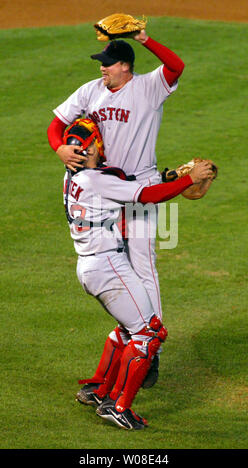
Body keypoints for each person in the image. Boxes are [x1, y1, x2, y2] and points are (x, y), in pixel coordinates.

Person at [47, 30, 185, 384]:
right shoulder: (90, 90)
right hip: (104, 191)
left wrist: (144, 37)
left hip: (139, 186)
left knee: (143, 265)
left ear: (126, 66)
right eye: (102, 64)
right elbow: (57, 124)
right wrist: (59, 148)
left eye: (108, 65)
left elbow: (176, 65)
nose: (103, 70)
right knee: (116, 267)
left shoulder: (148, 86)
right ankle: (135, 334)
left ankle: (151, 350)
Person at [62, 118, 212, 430]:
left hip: (91, 266)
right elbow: (147, 196)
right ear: (88, 149)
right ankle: (117, 407)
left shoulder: (72, 177)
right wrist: (189, 179)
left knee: (128, 329)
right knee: (150, 333)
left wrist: (172, 174)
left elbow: (127, 183)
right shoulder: (95, 180)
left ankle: (99, 390)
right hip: (108, 266)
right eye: (95, 140)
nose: (100, 143)